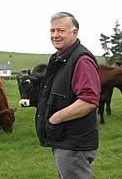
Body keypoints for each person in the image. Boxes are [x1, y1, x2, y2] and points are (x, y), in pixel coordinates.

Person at [35, 12, 101, 179]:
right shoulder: (61, 58)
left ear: (74, 32)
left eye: (61, 30)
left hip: (74, 142)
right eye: (52, 31)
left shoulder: (81, 59)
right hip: (63, 138)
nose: (55, 35)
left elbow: (89, 100)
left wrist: (55, 118)